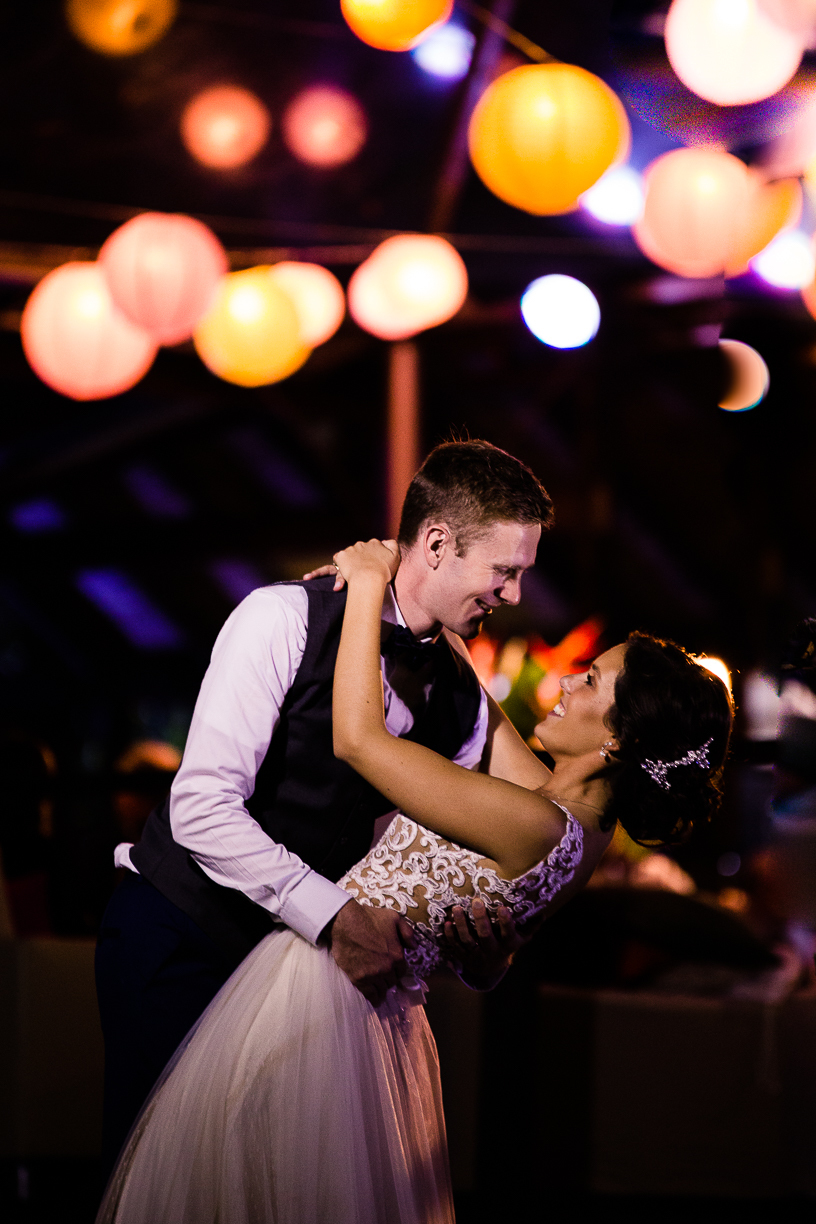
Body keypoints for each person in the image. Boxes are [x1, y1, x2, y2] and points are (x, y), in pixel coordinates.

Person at [97, 540, 734, 1224]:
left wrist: (370, 582)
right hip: (367, 1011)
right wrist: (431, 597)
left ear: (619, 739)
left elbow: (359, 740)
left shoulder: (532, 822)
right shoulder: (579, 827)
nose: (569, 681)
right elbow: (486, 715)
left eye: (592, 682)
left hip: (322, 996)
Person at [95, 439, 554, 1166]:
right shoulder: (282, 617)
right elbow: (202, 808)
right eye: (505, 571)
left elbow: (488, 837)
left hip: (296, 979)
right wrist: (334, 916)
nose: (515, 595)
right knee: (163, 1181)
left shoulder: (460, 689)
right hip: (184, 937)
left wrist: (485, 951)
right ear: (438, 544)